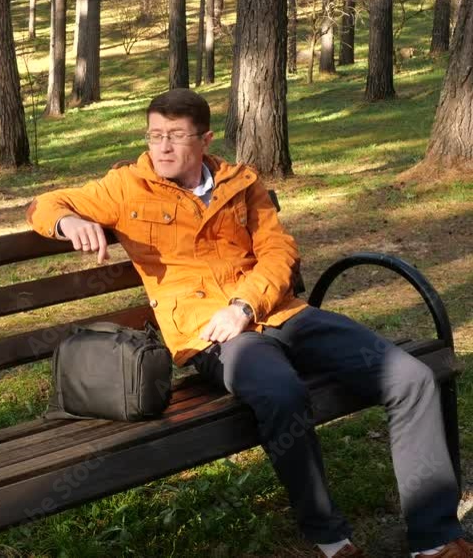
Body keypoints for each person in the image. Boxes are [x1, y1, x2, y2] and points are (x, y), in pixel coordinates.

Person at [25, 89, 469, 558]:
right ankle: (330, 537)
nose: (162, 148)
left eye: (176, 137)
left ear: (205, 139)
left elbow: (279, 252)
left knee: (412, 378)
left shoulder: (240, 183)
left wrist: (245, 306)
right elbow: (43, 205)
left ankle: (434, 538)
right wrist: (67, 223)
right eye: (155, 136)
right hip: (208, 334)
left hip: (278, 312)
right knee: (282, 394)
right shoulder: (126, 187)